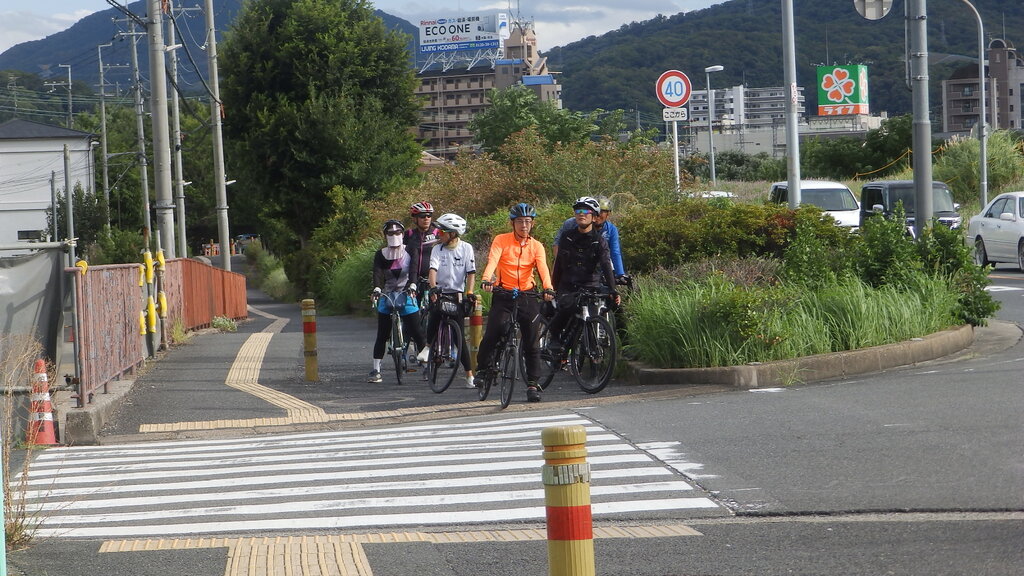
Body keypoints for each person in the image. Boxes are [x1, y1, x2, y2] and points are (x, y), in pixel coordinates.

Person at [477, 203, 554, 403]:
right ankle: (483, 369)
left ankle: (533, 384)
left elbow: (543, 268)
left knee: (531, 341)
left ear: (532, 224)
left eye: (527, 222)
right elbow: (493, 260)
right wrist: (486, 279)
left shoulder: (536, 246)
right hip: (504, 293)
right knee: (493, 332)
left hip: (527, 295)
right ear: (513, 223)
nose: (524, 226)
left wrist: (548, 288)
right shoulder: (501, 240)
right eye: (520, 221)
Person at [548, 197, 621, 354]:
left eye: (586, 211)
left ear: (594, 217)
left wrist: (613, 289)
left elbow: (606, 264)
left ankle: (586, 352)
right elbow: (559, 264)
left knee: (593, 316)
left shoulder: (599, 241)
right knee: (567, 308)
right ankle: (554, 338)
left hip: (590, 286)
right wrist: (552, 288)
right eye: (578, 210)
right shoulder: (567, 236)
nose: (581, 214)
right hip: (569, 285)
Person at [369, 219, 429, 383]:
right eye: (390, 233)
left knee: (417, 332)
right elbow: (377, 273)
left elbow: (413, 271)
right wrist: (377, 288)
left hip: (407, 293)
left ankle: (426, 367)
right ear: (385, 235)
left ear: (403, 234)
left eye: (397, 232)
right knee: (382, 334)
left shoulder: (410, 250)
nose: (394, 235)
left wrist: (413, 285)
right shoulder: (381, 254)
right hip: (387, 295)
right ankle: (376, 369)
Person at [425, 213, 477, 388]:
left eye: (442, 232)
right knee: (434, 316)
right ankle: (427, 347)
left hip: (457, 294)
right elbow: (432, 270)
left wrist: (470, 292)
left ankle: (469, 375)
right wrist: (433, 287)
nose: (438, 234)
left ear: (453, 234)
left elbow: (471, 273)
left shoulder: (466, 248)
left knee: (458, 337)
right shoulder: (437, 249)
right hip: (440, 292)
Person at [552, 195, 627, 282]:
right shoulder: (571, 224)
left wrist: (620, 274)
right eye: (595, 211)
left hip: (598, 267)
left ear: (608, 214)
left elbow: (615, 252)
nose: (598, 215)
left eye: (602, 211)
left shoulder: (611, 229)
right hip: (573, 265)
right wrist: (563, 265)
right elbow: (557, 245)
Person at [405, 201, 441, 289]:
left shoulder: (438, 233)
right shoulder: (409, 234)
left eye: (429, 216)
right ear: (415, 219)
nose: (426, 218)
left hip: (434, 279)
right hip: (412, 280)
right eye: (422, 216)